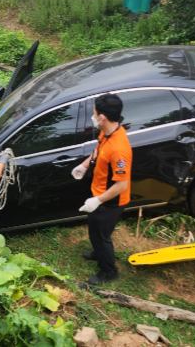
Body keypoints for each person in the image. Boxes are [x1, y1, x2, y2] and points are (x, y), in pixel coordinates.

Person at [71, 93, 132, 285]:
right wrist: (85, 165)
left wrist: (98, 200)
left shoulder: (119, 149)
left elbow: (122, 184)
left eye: (94, 113)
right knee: (94, 228)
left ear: (102, 117)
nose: (93, 115)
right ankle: (98, 253)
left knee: (101, 234)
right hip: (98, 193)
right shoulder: (107, 131)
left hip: (110, 202)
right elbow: (98, 149)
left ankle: (108, 271)